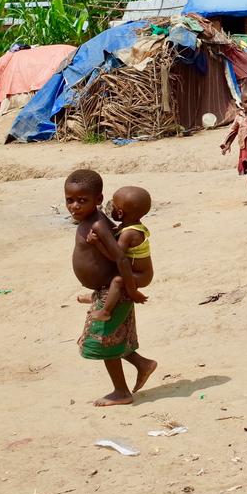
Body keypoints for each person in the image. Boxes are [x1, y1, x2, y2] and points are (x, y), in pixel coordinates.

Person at [65, 169, 158, 407]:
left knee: (105, 340)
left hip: (114, 290)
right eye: (69, 200)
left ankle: (121, 392)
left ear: (98, 200)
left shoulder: (98, 225)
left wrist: (131, 289)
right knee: (114, 336)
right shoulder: (92, 221)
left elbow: (120, 259)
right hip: (106, 289)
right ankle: (143, 364)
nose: (74, 206)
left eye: (81, 200)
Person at [82, 185, 155, 323]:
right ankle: (95, 297)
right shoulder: (128, 226)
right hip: (135, 270)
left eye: (113, 205)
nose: (110, 207)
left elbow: (115, 257)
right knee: (111, 276)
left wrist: (97, 243)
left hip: (142, 275)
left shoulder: (129, 234)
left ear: (120, 213)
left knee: (117, 281)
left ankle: (105, 311)